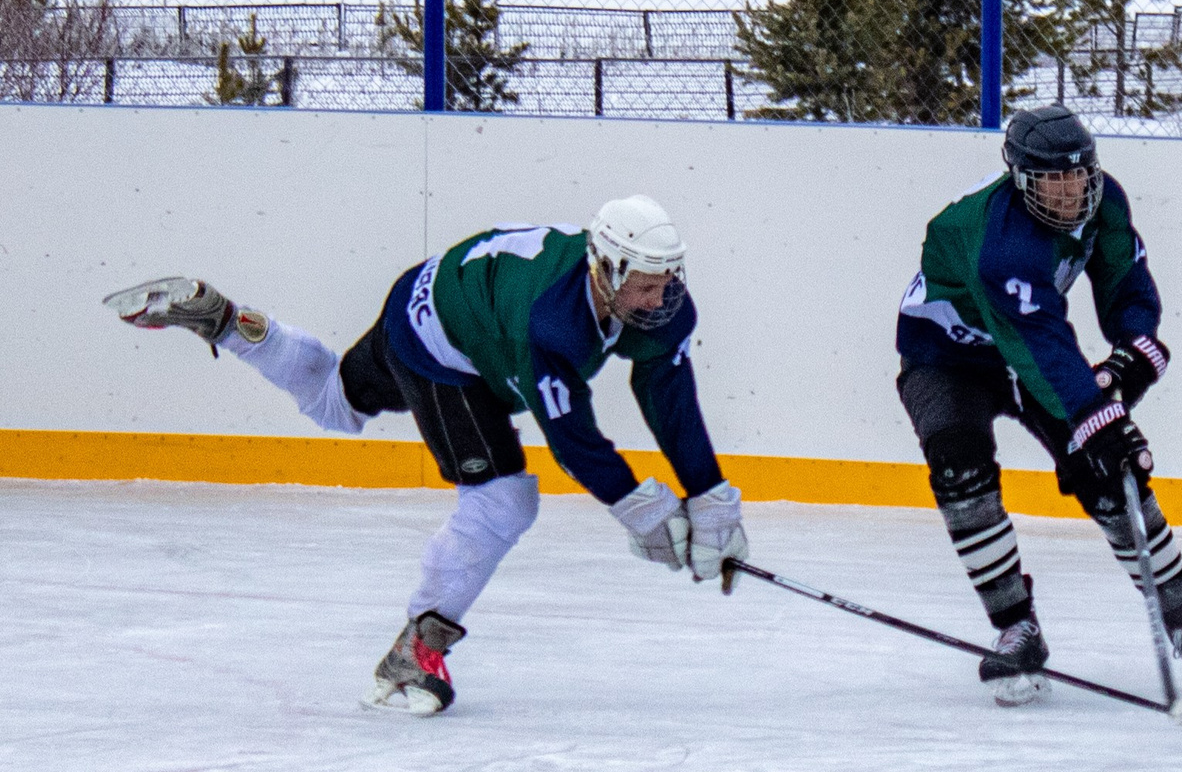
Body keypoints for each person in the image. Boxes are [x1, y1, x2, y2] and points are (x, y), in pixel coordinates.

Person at [105, 196, 747, 716]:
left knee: (334, 402)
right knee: (504, 499)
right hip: (444, 346)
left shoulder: (656, 305)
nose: (659, 301)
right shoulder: (554, 323)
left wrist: (710, 496)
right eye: (644, 287)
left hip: (431, 292)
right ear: (603, 269)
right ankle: (419, 647)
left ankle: (228, 323)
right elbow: (573, 441)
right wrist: (646, 512)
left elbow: (668, 393)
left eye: (668, 284)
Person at [896, 104, 1182, 705]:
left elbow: (1124, 282)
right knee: (960, 467)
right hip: (946, 354)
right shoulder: (999, 244)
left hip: (1032, 344)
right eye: (1052, 181)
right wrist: (1098, 417)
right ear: (1022, 179)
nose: (1069, 192)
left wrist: (1134, 348)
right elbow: (1037, 347)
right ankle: (1015, 629)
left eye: (1078, 175)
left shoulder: (1106, 202)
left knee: (1110, 473)